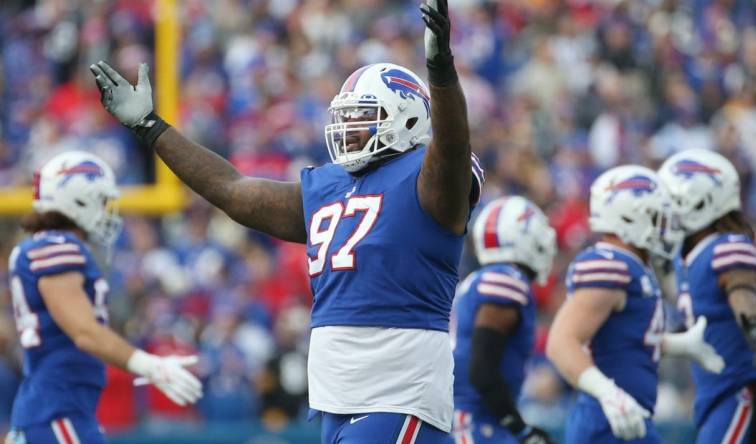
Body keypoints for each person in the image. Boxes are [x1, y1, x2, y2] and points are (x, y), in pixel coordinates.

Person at [90, 0, 482, 442]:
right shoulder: (331, 186)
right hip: (338, 400)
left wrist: (440, 68)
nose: (349, 129)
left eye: (364, 118)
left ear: (409, 117)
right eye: (347, 118)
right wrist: (150, 126)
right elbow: (233, 191)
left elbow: (450, 147)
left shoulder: (429, 181)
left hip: (396, 393)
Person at [5, 151, 202, 444]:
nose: (106, 210)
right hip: (58, 411)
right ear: (77, 198)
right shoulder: (57, 246)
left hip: (57, 410)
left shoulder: (47, 246)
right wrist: (150, 365)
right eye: (100, 200)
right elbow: (84, 332)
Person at [546, 165, 723, 444]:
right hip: (609, 420)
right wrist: (608, 392)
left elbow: (626, 338)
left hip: (630, 418)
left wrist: (679, 345)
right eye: (656, 216)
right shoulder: (610, 264)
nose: (665, 225)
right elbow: (561, 342)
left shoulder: (634, 267)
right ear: (628, 216)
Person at [658, 149, 756, 443]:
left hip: (739, 392)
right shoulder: (686, 258)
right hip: (715, 395)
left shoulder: (727, 247)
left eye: (673, 201)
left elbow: (743, 292)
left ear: (700, 200)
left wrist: (751, 323)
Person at [451, 196, 556, 444]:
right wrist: (521, 429)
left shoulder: (479, 279)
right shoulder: (505, 278)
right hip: (475, 420)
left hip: (470, 416)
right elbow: (482, 371)